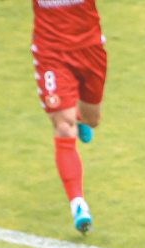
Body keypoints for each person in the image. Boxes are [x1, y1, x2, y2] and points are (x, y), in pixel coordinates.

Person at [32, 0, 107, 233]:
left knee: (93, 119)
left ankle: (79, 118)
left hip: (90, 48)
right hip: (51, 53)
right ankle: (78, 204)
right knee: (64, 127)